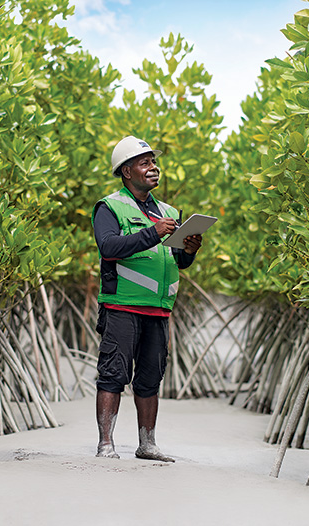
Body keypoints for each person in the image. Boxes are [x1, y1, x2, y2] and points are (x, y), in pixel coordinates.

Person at [91, 135, 202, 462]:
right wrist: (154, 231)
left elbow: (176, 260)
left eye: (154, 163)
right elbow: (108, 247)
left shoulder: (167, 211)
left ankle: (147, 444)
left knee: (151, 376)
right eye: (145, 163)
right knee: (113, 373)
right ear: (126, 171)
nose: (153, 168)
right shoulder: (109, 207)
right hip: (122, 306)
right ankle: (106, 445)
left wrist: (190, 250)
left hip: (159, 310)